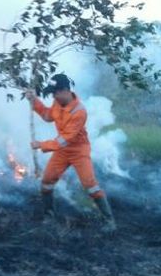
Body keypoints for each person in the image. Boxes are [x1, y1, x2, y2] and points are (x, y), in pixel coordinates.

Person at [26, 74, 117, 232]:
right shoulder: (57, 102)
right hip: (62, 150)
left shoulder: (79, 111)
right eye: (52, 93)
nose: (53, 96)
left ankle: (109, 221)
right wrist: (34, 101)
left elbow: (65, 139)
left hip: (78, 150)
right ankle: (49, 215)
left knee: (90, 185)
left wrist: (42, 144)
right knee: (47, 181)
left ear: (66, 90)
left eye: (55, 92)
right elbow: (48, 116)